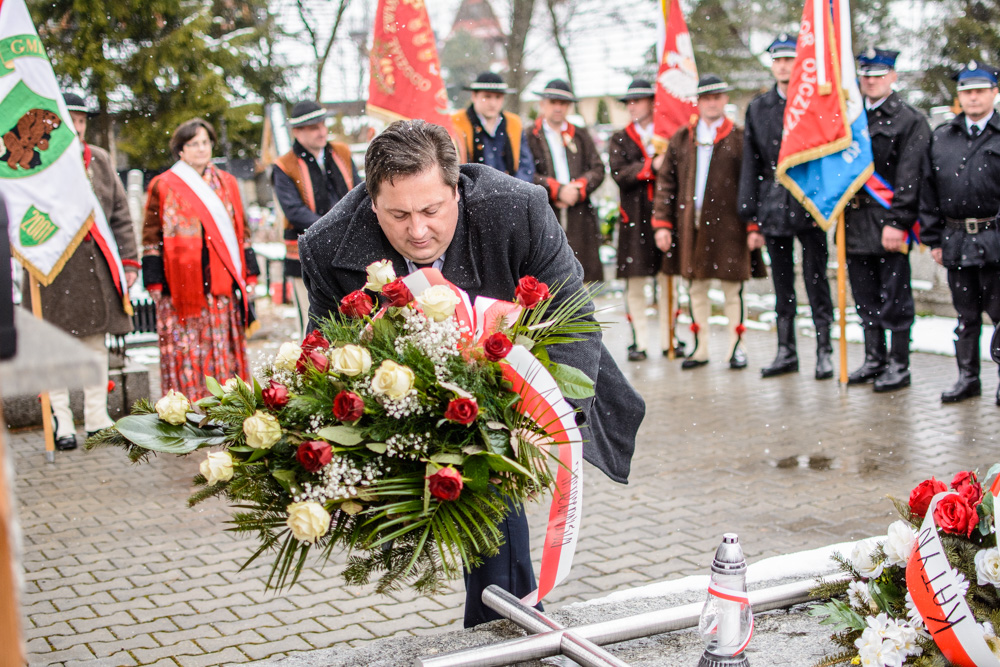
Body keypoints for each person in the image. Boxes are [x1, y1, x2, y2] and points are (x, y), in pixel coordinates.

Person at [298, 119, 643, 628]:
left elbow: (572, 318)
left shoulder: (517, 209)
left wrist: (548, 422)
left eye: (431, 210)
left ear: (456, 189)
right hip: (404, 393)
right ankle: (509, 628)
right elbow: (327, 355)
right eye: (398, 215)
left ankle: (505, 628)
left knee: (492, 484)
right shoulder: (327, 246)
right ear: (372, 203)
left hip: (518, 377)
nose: (418, 231)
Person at [24, 92, 139, 450]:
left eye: (81, 120)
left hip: (94, 268)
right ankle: (61, 421)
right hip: (52, 267)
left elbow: (120, 214)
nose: (76, 127)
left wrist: (129, 261)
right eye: (69, 120)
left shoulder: (99, 160)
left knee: (94, 347)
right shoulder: (37, 162)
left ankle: (96, 418)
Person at [653, 75, 766, 370]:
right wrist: (662, 223)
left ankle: (736, 347)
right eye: (706, 98)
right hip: (691, 226)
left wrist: (754, 225)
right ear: (698, 101)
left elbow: (753, 183)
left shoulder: (739, 137)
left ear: (725, 99)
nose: (712, 103)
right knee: (695, 288)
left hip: (731, 225)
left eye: (717, 97)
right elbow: (666, 183)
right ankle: (700, 347)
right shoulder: (682, 138)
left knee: (732, 289)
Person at [739, 34, 835, 380]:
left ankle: (824, 350)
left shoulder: (816, 104)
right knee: (782, 285)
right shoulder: (758, 107)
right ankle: (786, 351)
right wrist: (750, 215)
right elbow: (751, 163)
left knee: (816, 280)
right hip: (774, 204)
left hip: (810, 202)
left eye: (789, 60)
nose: (783, 66)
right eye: (778, 60)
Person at [142, 118, 260, 399]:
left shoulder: (227, 183)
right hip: (180, 286)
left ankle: (229, 404)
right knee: (187, 350)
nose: (201, 149)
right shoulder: (164, 184)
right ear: (181, 150)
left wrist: (250, 272)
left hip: (221, 281)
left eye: (205, 142)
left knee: (222, 350)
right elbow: (151, 236)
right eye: (193, 143)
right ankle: (190, 406)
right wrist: (154, 280)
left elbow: (241, 230)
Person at [844, 48, 930, 392]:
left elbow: (911, 177)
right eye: (866, 74)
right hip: (853, 220)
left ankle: (898, 364)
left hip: (888, 220)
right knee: (864, 297)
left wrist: (898, 222)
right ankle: (874, 359)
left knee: (895, 297)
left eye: (879, 74)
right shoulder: (850, 116)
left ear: (893, 76)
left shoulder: (910, 120)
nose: (871, 81)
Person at [920, 61, 1000, 405]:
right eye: (967, 92)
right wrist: (932, 239)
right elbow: (928, 190)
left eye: (980, 91)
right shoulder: (943, 136)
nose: (973, 98)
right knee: (965, 317)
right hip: (956, 239)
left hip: (995, 238)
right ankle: (967, 378)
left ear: (994, 92)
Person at [609, 78, 685, 361]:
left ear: (653, 103)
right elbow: (619, 173)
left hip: (665, 214)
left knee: (668, 277)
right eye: (628, 102)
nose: (631, 106)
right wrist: (650, 166)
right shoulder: (620, 137)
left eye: (637, 101)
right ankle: (639, 341)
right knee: (636, 281)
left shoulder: (669, 135)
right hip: (634, 217)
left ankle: (670, 337)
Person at [272, 100, 359, 333]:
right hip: (304, 252)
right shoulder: (284, 165)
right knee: (311, 322)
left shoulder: (341, 152)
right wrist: (332, 227)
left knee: (354, 316)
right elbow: (294, 211)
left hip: (347, 248)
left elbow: (359, 191)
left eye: (322, 124)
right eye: (313, 128)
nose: (322, 131)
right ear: (297, 132)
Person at [527, 79, 607, 283]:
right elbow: (525, 174)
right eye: (553, 102)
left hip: (579, 213)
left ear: (569, 106)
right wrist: (555, 189)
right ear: (542, 104)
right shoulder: (529, 135)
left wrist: (578, 189)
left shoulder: (580, 135)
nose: (558, 107)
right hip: (544, 212)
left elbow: (598, 168)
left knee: (582, 275)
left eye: (563, 103)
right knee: (546, 276)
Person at [451, 72, 535, 182]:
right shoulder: (456, 123)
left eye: (498, 97)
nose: (493, 103)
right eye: (487, 97)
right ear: (474, 96)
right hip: (471, 189)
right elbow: (452, 168)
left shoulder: (514, 123)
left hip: (510, 188)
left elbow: (526, 167)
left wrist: (513, 188)